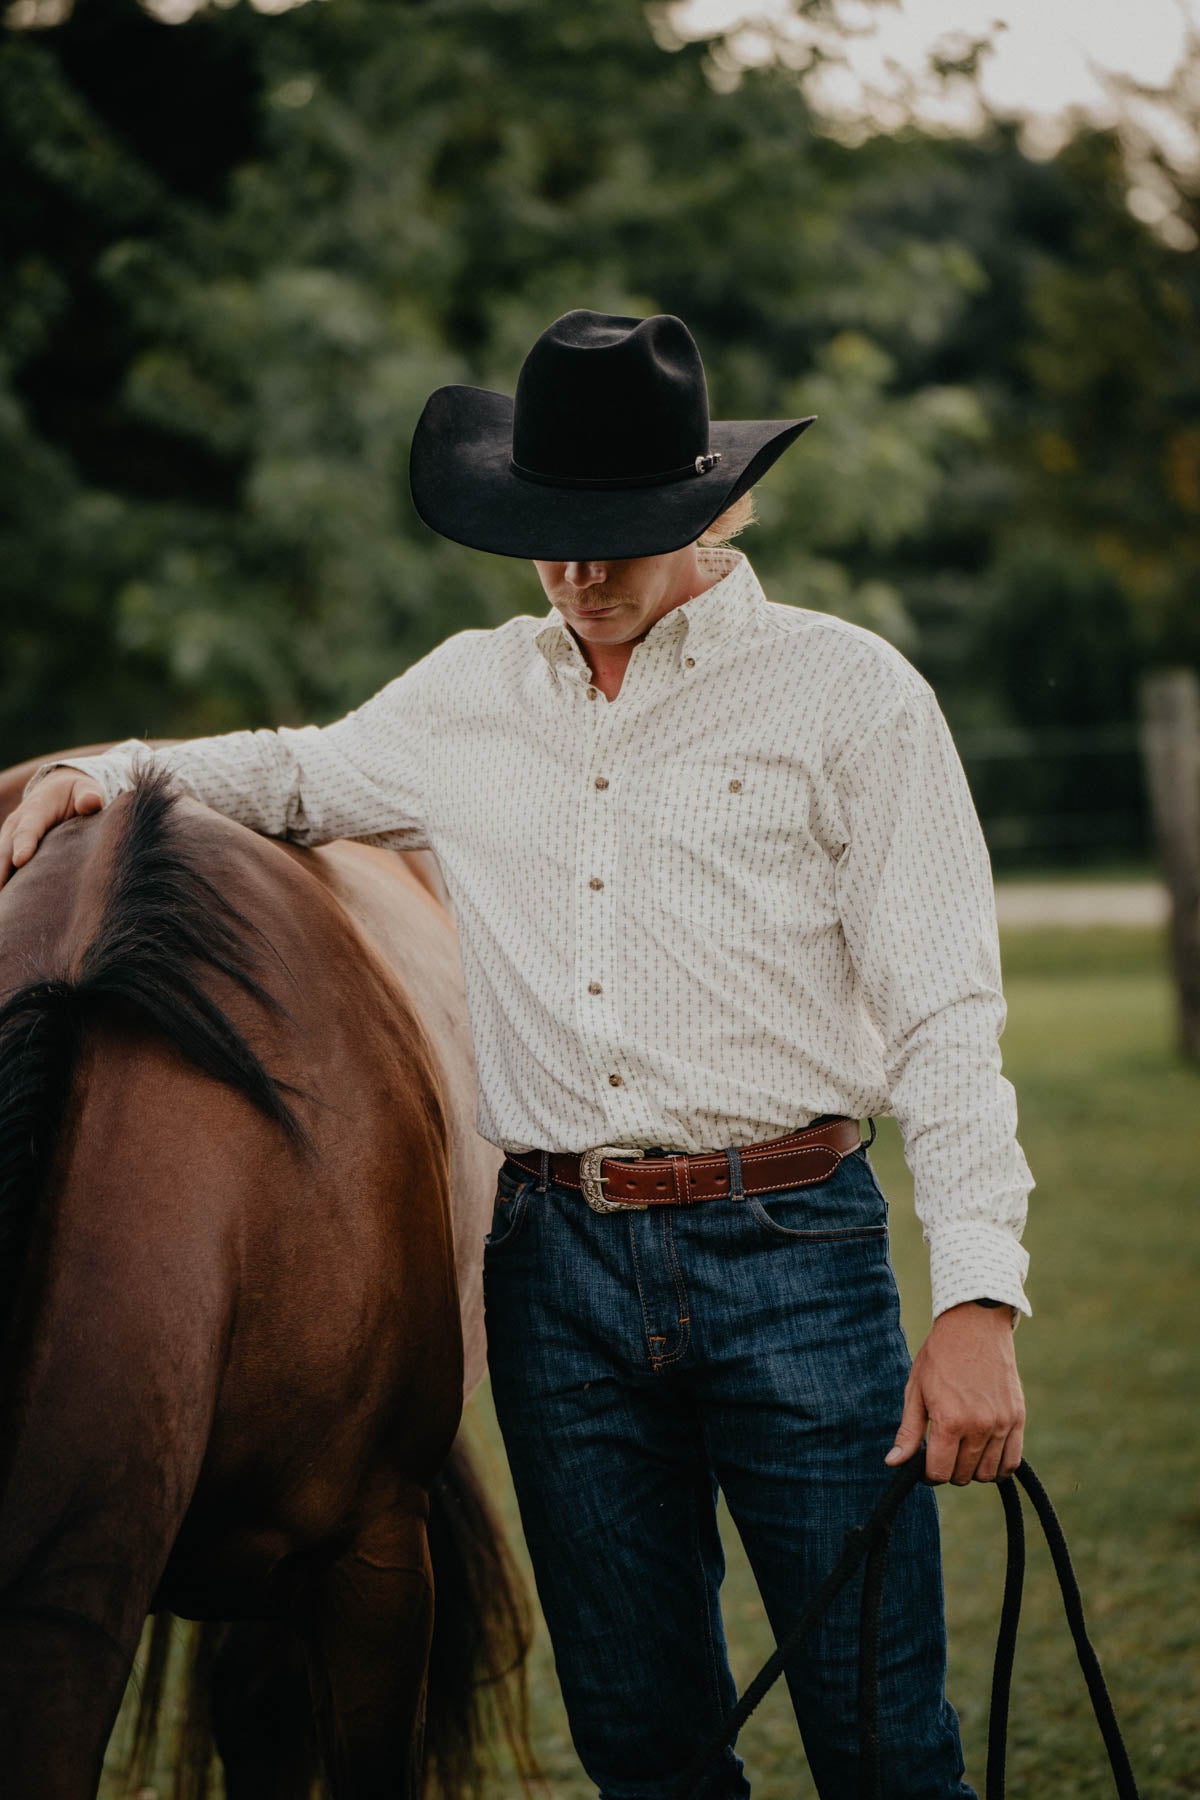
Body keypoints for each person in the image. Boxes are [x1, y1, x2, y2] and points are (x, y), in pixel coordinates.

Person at [0, 309, 1032, 1800]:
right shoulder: (471, 693)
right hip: (558, 1274)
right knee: (640, 1742)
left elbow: (945, 1009)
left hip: (794, 1251)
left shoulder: (851, 697)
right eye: (547, 532)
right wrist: (109, 770)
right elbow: (295, 769)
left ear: (707, 510)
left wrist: (982, 1295)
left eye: (612, 534)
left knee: (882, 1742)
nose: (575, 571)